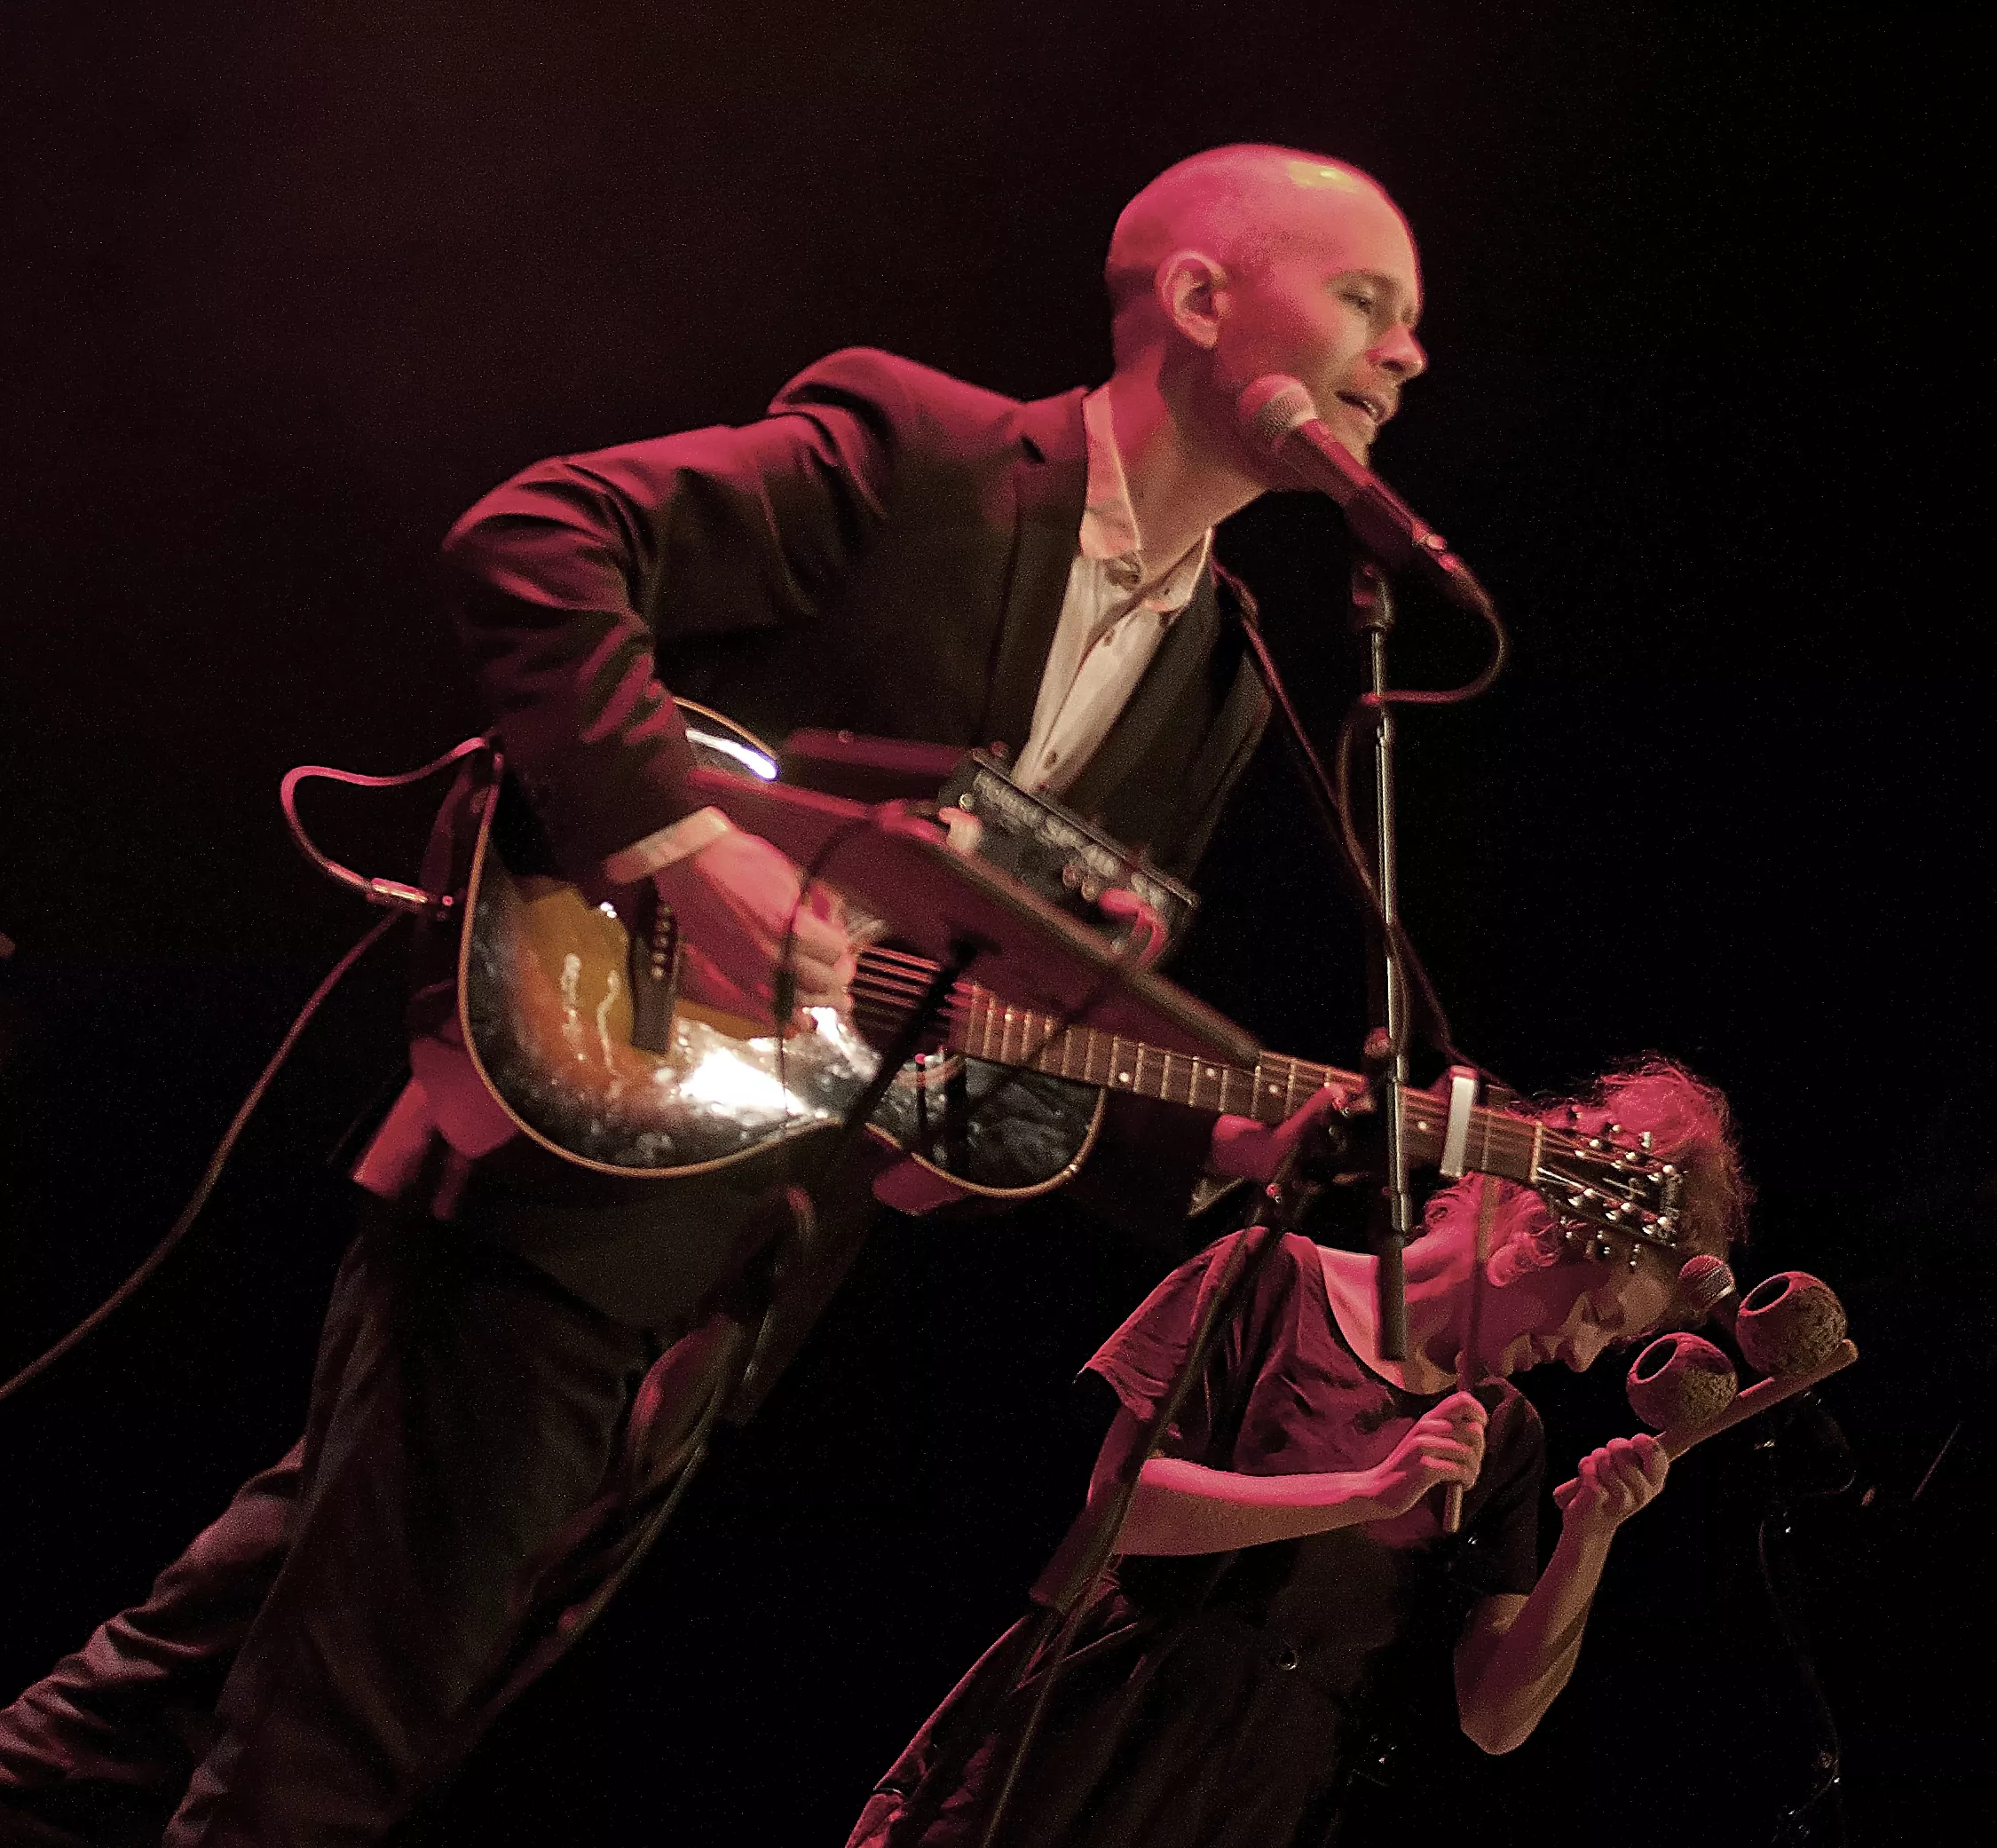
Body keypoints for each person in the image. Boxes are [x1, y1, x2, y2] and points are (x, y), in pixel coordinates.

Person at [1, 144, 1437, 1845]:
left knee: (199, 1667)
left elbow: (984, 1035)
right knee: (335, 1754)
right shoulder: (925, 452)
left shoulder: (1229, 677)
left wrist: (1210, 1150)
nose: (1410, 355)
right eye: (1369, 301)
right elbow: (534, 540)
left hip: (750, 1262)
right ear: (1202, 298)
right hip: (581, 1138)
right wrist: (683, 848)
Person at [846, 1061, 1753, 1848]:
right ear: (1540, 1239)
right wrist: (1367, 1491)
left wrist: (1588, 1541)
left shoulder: (1508, 1435)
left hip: (1252, 1794)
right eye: (1596, 1315)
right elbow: (1123, 1504)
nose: (1584, 1357)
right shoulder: (1269, 1277)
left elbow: (1496, 1721)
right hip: (1089, 1735)